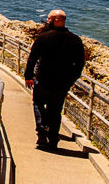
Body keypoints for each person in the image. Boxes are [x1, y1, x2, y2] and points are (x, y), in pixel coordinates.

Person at [24, 9, 85, 150]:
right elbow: (80, 63)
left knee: (38, 104)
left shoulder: (43, 37)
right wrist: (72, 79)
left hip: (43, 79)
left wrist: (28, 77)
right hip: (62, 83)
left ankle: (41, 131)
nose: (47, 20)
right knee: (56, 110)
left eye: (49, 18)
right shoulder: (75, 40)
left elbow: (32, 59)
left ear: (57, 20)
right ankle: (52, 139)